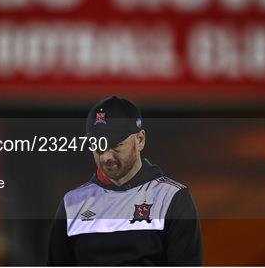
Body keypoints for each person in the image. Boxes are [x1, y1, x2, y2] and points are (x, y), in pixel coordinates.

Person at [47, 96, 203, 265]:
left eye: (116, 144)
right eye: (98, 146)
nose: (106, 156)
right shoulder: (72, 204)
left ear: (140, 140)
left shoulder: (172, 199)